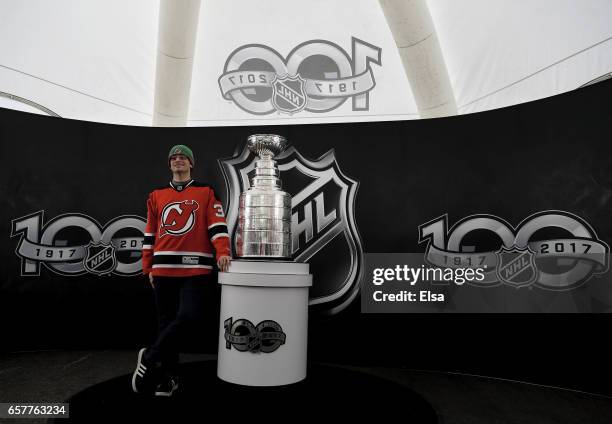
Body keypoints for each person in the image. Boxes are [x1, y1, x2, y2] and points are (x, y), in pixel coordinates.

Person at [132, 144, 231, 397]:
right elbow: (150, 233)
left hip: (195, 269)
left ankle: (150, 357)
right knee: (166, 325)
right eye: (174, 158)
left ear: (191, 164)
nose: (178, 160)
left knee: (189, 317)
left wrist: (223, 252)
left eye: (183, 157)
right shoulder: (156, 195)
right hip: (163, 270)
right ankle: (167, 379)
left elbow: (217, 225)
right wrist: (147, 266)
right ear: (169, 164)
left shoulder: (206, 192)